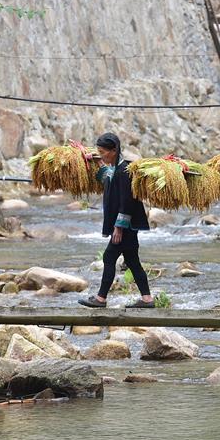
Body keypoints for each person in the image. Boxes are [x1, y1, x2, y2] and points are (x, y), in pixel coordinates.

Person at [78, 132, 154, 309]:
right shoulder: (116, 169)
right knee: (133, 262)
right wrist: (98, 162)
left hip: (125, 227)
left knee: (109, 257)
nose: (101, 154)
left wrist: (118, 228)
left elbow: (126, 203)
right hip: (129, 227)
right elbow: (106, 179)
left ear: (113, 151)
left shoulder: (124, 171)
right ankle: (147, 299)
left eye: (103, 152)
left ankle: (101, 299)